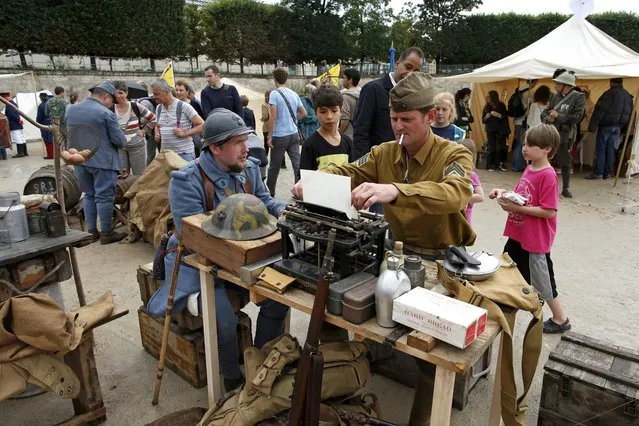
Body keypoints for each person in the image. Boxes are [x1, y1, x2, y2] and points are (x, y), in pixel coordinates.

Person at [292, 72, 475, 425]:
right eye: (394, 119)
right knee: (341, 310)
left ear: (430, 117)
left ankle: (423, 418)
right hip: (395, 253)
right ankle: (345, 387)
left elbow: (456, 193)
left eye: (407, 119)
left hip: (441, 260)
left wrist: (396, 190)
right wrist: (312, 182)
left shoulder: (453, 153)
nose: (398, 127)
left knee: (430, 353)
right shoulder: (384, 152)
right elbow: (351, 170)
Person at [147, 108, 289, 392]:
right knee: (223, 320)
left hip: (246, 255)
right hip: (200, 261)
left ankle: (257, 363)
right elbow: (193, 233)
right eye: (238, 142)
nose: (245, 149)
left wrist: (285, 212)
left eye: (245, 140)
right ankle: (230, 376)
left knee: (279, 298)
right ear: (214, 147)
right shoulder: (186, 179)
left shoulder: (248, 168)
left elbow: (263, 199)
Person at [489, 123, 570, 334]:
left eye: (531, 145)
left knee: (543, 279)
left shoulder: (548, 175)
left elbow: (549, 211)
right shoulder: (530, 167)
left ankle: (561, 318)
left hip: (535, 240)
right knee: (507, 268)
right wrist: (502, 193)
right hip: (518, 233)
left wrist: (516, 208)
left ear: (547, 149)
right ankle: (505, 304)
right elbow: (521, 195)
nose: (525, 148)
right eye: (525, 143)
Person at [65, 82, 127, 244]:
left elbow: (66, 135)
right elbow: (119, 141)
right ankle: (106, 233)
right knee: (104, 197)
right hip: (103, 162)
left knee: (89, 195)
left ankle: (92, 232)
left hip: (79, 161)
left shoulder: (71, 110)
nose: (112, 105)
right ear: (105, 96)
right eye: (111, 101)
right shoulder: (105, 113)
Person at [352, 46, 424, 159]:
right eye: (408, 67)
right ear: (397, 63)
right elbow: (360, 132)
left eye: (416, 71)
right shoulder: (372, 89)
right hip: (377, 162)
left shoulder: (416, 95)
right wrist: (363, 166)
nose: (410, 74)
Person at [541, 69, 585, 198]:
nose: (556, 86)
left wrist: (558, 116)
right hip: (550, 132)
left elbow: (577, 117)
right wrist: (547, 118)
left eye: (559, 84)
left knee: (565, 161)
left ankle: (566, 188)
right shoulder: (555, 96)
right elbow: (544, 112)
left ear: (567, 85)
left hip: (565, 134)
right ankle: (544, 185)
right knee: (545, 159)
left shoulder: (578, 97)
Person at [265, 67, 307, 196]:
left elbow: (273, 116)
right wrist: (294, 119)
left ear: (274, 79)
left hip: (280, 135)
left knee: (274, 167)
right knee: (297, 164)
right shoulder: (293, 93)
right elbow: (303, 113)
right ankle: (299, 191)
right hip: (293, 133)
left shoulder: (274, 94)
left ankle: (270, 193)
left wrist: (270, 136)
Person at [586, 77, 633, 180]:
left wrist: (592, 126)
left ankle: (598, 173)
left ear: (611, 82)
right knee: (610, 149)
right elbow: (629, 113)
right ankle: (608, 172)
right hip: (618, 127)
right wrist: (625, 128)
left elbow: (600, 110)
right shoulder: (627, 95)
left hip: (606, 125)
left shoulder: (609, 93)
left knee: (601, 149)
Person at [300, 85, 354, 171]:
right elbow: (305, 178)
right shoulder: (309, 144)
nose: (329, 116)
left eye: (334, 111)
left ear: (341, 112)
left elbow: (353, 173)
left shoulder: (348, 142)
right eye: (323, 112)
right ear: (315, 113)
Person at [151, 79, 204, 162]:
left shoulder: (184, 106)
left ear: (166, 92)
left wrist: (185, 133)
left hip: (183, 154)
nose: (153, 97)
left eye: (156, 94)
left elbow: (202, 125)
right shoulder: (159, 108)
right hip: (166, 154)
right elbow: (157, 125)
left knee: (185, 175)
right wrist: (157, 133)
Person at [113, 81, 154, 177]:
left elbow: (153, 118)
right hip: (120, 148)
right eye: (115, 93)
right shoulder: (110, 109)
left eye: (121, 93)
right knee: (122, 175)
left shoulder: (135, 106)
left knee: (139, 175)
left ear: (126, 93)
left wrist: (144, 130)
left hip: (137, 146)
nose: (118, 96)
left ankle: (139, 192)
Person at [511, 79, 538, 172]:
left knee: (518, 142)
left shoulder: (519, 89)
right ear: (535, 82)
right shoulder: (531, 92)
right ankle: (518, 165)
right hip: (523, 120)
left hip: (517, 119)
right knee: (521, 143)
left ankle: (514, 164)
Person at [175, 79, 204, 157]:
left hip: (194, 137)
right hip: (178, 138)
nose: (178, 92)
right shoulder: (174, 104)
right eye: (176, 90)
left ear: (187, 91)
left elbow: (200, 122)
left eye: (181, 90)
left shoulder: (194, 104)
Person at [458, 139, 484, 225]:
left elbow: (480, 196)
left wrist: (460, 198)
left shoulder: (472, 175)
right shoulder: (450, 172)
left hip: (464, 219)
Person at [482, 90, 509, 171]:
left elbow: (505, 117)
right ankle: (491, 164)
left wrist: (499, 115)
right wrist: (486, 117)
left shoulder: (501, 105)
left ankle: (502, 163)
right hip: (490, 129)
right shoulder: (486, 107)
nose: (487, 98)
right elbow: (483, 120)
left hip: (500, 129)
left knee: (502, 146)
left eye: (489, 96)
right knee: (492, 146)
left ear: (493, 97)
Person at [2, 93, 27, 158]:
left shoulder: (9, 105)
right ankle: (24, 152)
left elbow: (12, 114)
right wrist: (19, 121)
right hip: (17, 124)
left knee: (17, 138)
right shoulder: (14, 103)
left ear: (6, 98)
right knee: (21, 138)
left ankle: (20, 153)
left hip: (14, 124)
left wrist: (17, 120)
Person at [339, 68, 361, 139]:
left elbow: (345, 119)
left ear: (350, 80)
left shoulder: (346, 96)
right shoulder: (362, 93)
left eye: (344, 78)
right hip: (358, 132)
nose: (342, 80)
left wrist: (339, 133)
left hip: (348, 134)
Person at [36, 92, 54, 159]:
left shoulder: (42, 105)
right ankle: (56, 153)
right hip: (54, 122)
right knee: (54, 139)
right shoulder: (53, 103)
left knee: (47, 139)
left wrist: (38, 123)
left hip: (45, 124)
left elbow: (39, 118)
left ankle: (51, 155)